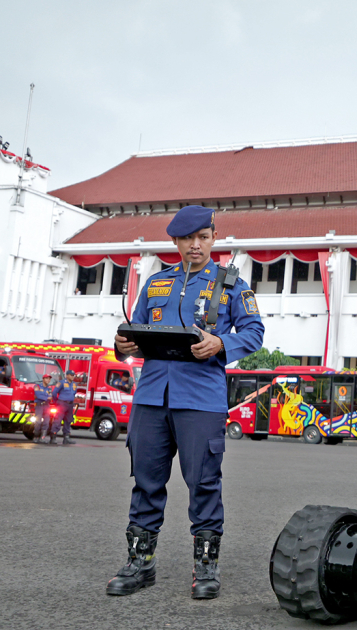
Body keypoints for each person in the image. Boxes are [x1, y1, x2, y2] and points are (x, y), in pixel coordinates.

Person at [108, 205, 264, 600]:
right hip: (151, 397)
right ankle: (140, 564)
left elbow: (254, 331)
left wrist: (222, 343)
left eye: (203, 238)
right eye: (188, 239)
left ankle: (206, 570)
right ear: (175, 242)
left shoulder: (232, 285)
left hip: (201, 399)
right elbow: (132, 336)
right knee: (145, 481)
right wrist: (121, 345)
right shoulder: (156, 284)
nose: (196, 245)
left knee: (204, 483)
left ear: (213, 238)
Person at [50, 370, 78, 446]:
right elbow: (54, 393)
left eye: (73, 375)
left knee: (68, 420)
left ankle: (66, 437)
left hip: (70, 404)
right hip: (62, 403)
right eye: (71, 375)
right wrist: (56, 402)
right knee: (58, 420)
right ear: (67, 375)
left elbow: (74, 393)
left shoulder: (74, 384)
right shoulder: (61, 383)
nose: (72, 376)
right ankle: (53, 437)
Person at [32, 373, 56, 443]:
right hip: (39, 405)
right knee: (38, 422)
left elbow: (51, 397)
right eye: (46, 378)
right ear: (43, 379)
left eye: (49, 379)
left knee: (46, 422)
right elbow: (38, 395)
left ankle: (42, 438)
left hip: (47, 406)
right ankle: (36, 437)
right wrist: (46, 397)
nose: (48, 380)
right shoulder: (37, 386)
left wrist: (45, 397)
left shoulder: (49, 388)